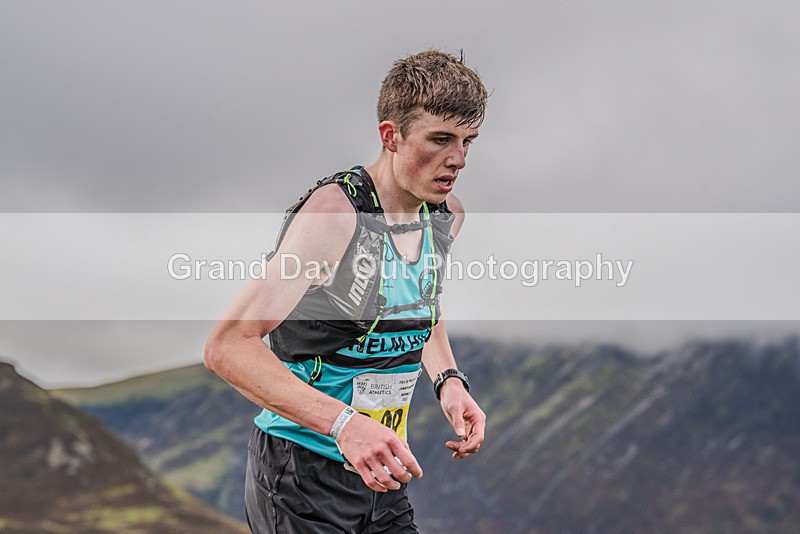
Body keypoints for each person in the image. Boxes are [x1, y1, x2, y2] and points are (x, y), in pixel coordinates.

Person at [204, 49, 488, 533]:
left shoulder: (444, 215)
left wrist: (449, 381)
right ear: (390, 136)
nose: (457, 159)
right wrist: (345, 425)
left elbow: (423, 305)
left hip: (381, 468)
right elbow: (227, 347)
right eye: (440, 139)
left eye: (467, 141)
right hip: (301, 473)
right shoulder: (334, 217)